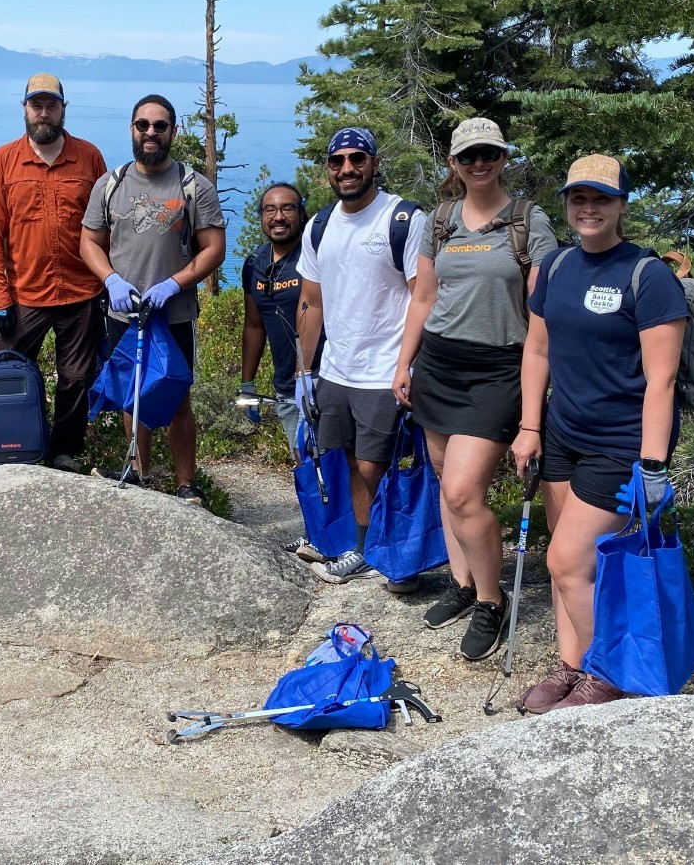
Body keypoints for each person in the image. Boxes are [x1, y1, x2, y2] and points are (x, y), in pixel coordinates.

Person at [511, 154, 688, 711]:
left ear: (621, 206)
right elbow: (537, 349)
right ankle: (573, 667)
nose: (589, 208)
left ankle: (608, 677)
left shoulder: (648, 276)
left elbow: (661, 381)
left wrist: (654, 467)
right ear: (566, 203)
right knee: (570, 565)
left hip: (621, 445)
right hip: (562, 433)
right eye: (578, 198)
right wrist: (529, 426)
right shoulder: (557, 268)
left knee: (565, 560)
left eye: (602, 199)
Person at [392, 117, 558, 661]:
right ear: (454, 165)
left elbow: (542, 314)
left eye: (489, 153)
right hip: (439, 364)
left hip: (497, 370)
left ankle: (492, 599)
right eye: (468, 156)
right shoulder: (438, 221)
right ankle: (464, 585)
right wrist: (404, 364)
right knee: (446, 484)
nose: (479, 163)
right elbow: (423, 298)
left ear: (504, 157)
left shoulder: (528, 224)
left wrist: (534, 408)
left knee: (464, 491)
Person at [80, 94, 227, 504]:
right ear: (132, 129)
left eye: (159, 126)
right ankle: (139, 475)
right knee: (132, 394)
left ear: (172, 132)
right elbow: (89, 242)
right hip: (123, 312)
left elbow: (214, 249)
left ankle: (187, 485)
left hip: (173, 313)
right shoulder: (110, 186)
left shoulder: (194, 186)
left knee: (177, 395)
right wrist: (110, 280)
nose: (151, 132)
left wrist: (174, 284)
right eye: (143, 125)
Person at [296, 128, 424, 583]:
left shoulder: (404, 219)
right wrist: (304, 370)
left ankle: (391, 548)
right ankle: (364, 546)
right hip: (335, 369)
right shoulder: (320, 225)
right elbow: (311, 301)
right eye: (337, 161)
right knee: (345, 459)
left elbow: (421, 297)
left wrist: (408, 364)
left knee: (375, 465)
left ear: (373, 163)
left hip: (383, 370)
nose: (347, 169)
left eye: (357, 159)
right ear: (328, 168)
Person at [0, 72, 109, 472]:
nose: (44, 112)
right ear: (25, 109)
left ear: (63, 109)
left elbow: (106, 226)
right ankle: (7, 444)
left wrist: (108, 279)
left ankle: (62, 451)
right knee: (5, 373)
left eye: (51, 105)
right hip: (24, 295)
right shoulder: (2, 161)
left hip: (81, 292)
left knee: (76, 379)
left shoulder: (90, 157)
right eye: (36, 105)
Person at [239, 181, 314, 459]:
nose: (278, 217)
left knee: (333, 465)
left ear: (302, 214)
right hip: (286, 387)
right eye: (269, 210)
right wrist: (247, 385)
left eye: (287, 209)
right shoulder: (255, 263)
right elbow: (254, 325)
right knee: (303, 464)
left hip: (324, 380)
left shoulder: (315, 255)